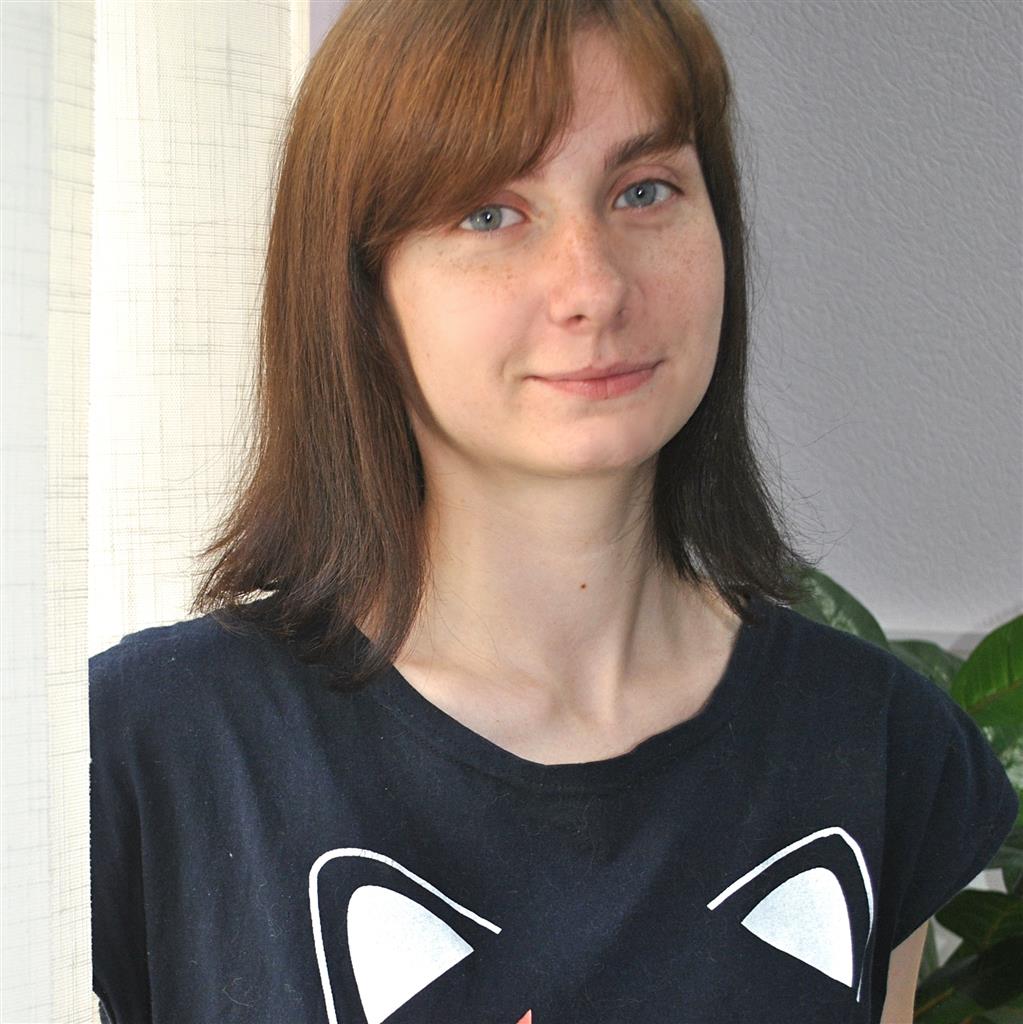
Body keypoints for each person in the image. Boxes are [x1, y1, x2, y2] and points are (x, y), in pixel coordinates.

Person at [89, 1, 1017, 1022]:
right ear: (358, 288)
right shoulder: (143, 750)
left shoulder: (878, 745)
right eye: (490, 213)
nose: (593, 286)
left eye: (644, 190)